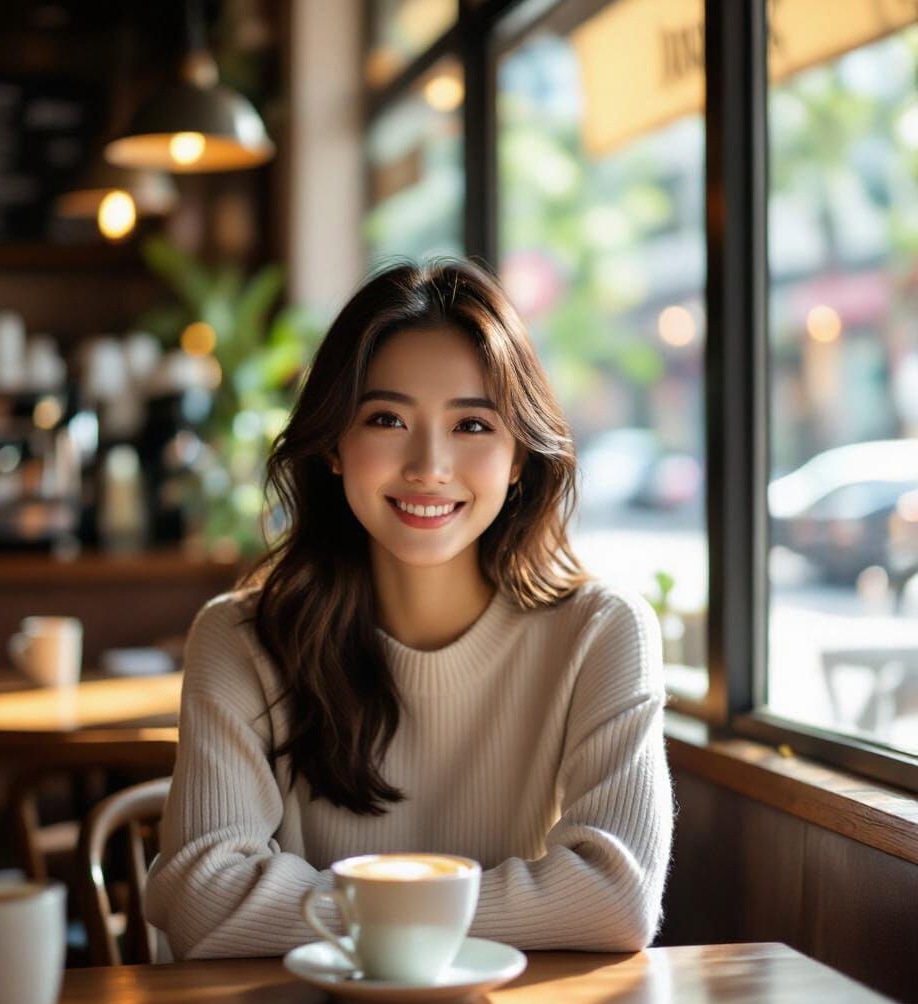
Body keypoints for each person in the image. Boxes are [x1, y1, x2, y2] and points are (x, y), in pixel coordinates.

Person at [145, 259, 674, 960]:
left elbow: (615, 899)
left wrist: (353, 917)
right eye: (387, 418)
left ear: (519, 457)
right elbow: (200, 901)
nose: (429, 465)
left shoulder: (603, 634)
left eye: (473, 425)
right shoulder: (240, 639)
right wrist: (498, 910)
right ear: (335, 443)